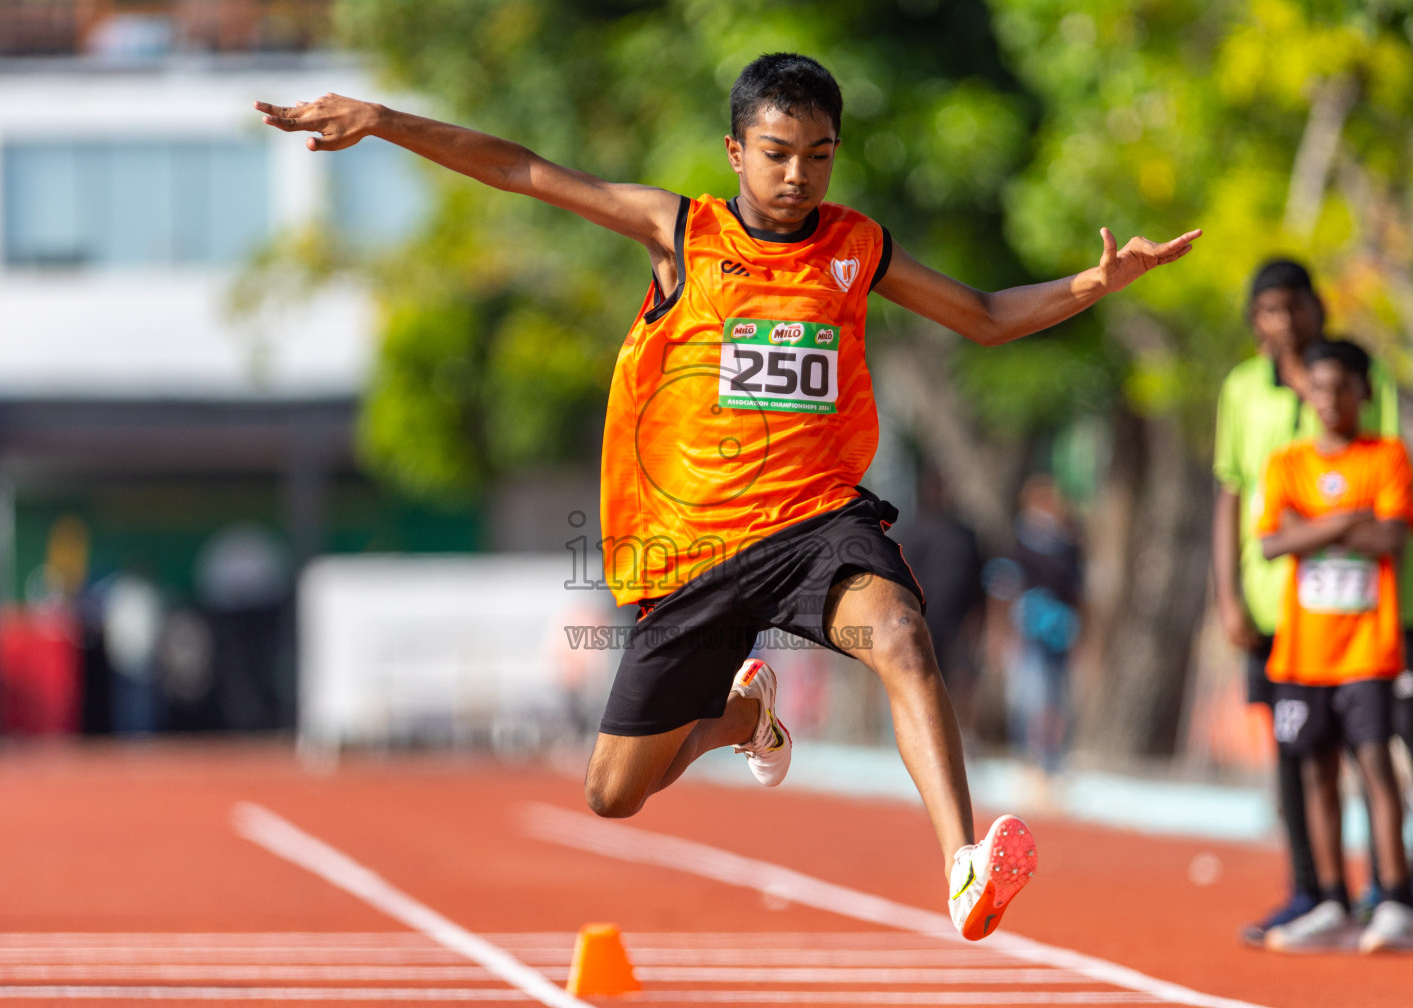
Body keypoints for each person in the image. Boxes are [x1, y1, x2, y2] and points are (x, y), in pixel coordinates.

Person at [257, 52, 1199, 940]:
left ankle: (961, 859)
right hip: (691, 548)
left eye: (819, 156)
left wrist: (1095, 281)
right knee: (612, 793)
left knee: (903, 638)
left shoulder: (855, 249)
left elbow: (987, 317)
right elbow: (523, 171)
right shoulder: (681, 231)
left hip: (816, 523)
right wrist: (381, 120)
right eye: (779, 154)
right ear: (736, 151)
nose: (799, 177)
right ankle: (744, 719)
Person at [1211, 260, 1413, 943]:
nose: (1283, 323)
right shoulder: (1251, 405)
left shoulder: (1374, 416)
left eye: (1295, 308)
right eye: (1268, 310)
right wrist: (1229, 594)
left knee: (1390, 754)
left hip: (1384, 624)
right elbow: (1250, 514)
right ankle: (1318, 894)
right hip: (1287, 622)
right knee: (1304, 758)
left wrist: (1325, 529)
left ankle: (1405, 895)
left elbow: (1390, 527)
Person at [1256, 340, 1413, 953]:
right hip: (1303, 653)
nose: (1328, 400)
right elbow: (1273, 543)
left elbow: (1389, 538)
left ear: (1364, 392)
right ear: (1306, 394)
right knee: (1316, 774)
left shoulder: (1386, 457)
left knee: (1375, 767)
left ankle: (1393, 899)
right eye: (1318, 388)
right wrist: (1342, 522)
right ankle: (1331, 900)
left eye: (1341, 388)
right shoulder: (1286, 463)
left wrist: (1312, 527)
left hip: (1367, 649)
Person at [1000, 475, 1082, 779]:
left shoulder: (1067, 544)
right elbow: (1004, 587)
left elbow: (1077, 592)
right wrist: (1004, 631)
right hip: (1027, 628)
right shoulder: (1019, 542)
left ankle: (1051, 756)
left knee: (1055, 695)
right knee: (1028, 694)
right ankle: (1028, 754)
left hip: (1059, 630)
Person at [895, 470, 984, 732]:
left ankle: (959, 734)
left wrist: (978, 621)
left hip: (958, 622)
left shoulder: (964, 534)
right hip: (920, 619)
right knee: (918, 677)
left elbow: (978, 581)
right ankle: (920, 731)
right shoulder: (911, 531)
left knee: (960, 680)